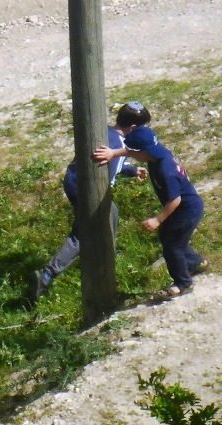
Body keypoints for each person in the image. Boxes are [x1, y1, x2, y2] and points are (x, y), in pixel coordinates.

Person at [30, 101, 151, 300]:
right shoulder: (118, 144)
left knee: (111, 213)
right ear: (133, 128)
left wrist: (131, 170)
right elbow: (106, 167)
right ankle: (49, 274)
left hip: (73, 179)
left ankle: (104, 255)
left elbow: (114, 161)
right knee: (85, 233)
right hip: (86, 188)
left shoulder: (104, 131)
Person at [94, 127, 206, 297]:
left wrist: (157, 220)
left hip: (186, 209)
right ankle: (195, 263)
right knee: (170, 237)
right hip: (185, 206)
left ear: (142, 152)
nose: (129, 152)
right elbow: (132, 150)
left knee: (172, 245)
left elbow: (175, 200)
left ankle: (183, 283)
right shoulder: (156, 152)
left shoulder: (165, 170)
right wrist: (112, 153)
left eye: (132, 150)